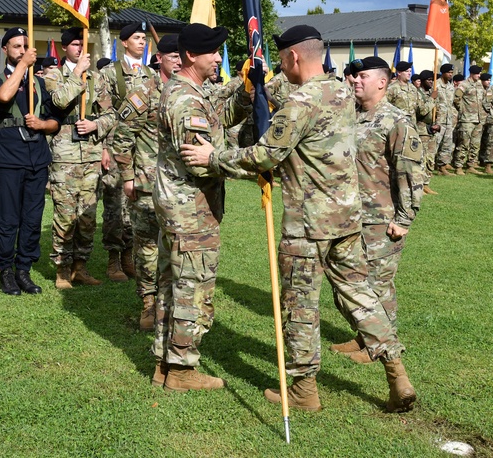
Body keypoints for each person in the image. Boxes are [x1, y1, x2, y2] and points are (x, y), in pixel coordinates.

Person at [182, 25, 416, 413]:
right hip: (347, 218)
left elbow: (265, 157)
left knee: (301, 308)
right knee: (361, 296)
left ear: (292, 58)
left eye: (281, 61)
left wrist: (213, 158)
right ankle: (397, 374)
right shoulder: (342, 91)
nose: (280, 68)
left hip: (308, 225)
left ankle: (304, 393)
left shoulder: (302, 102)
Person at [150, 23, 250, 392]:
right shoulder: (185, 99)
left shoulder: (193, 91)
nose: (217, 58)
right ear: (192, 55)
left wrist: (246, 90)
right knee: (192, 287)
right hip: (189, 208)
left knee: (171, 283)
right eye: (213, 52)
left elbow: (221, 117)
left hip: (183, 206)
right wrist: (254, 162)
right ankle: (181, 368)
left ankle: (164, 361)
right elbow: (199, 159)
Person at [327, 57, 421, 398]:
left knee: (377, 286)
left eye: (363, 77)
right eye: (355, 76)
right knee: (350, 288)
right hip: (348, 217)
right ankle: (364, 337)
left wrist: (404, 219)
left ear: (382, 82)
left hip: (381, 220)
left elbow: (410, 173)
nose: (355, 81)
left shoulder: (396, 120)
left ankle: (383, 347)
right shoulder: (350, 114)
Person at [111, 34, 181, 329]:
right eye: (173, 55)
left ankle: (175, 303)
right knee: (148, 248)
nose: (178, 60)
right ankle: (149, 304)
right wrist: (127, 177)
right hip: (147, 184)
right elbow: (122, 137)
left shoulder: (187, 92)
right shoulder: (144, 92)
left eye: (182, 55)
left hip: (180, 187)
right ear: (159, 58)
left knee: (177, 248)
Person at [0, 27, 60, 295]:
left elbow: (56, 121)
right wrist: (24, 66)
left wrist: (43, 124)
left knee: (32, 218)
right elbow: (3, 97)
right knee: (8, 219)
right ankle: (5, 269)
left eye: (25, 46)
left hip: (37, 159)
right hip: (8, 159)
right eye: (16, 46)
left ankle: (24, 269)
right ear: (5, 49)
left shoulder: (39, 83)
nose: (22, 51)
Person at [44, 27, 115, 289]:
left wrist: (97, 127)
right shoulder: (53, 75)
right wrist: (76, 73)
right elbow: (60, 101)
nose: (79, 49)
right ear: (65, 48)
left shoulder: (96, 78)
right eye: (74, 44)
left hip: (91, 155)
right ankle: (62, 269)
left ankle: (80, 267)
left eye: (82, 44)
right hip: (65, 156)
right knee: (64, 214)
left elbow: (111, 115)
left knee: (87, 216)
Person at [98, 22, 156, 280]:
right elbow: (104, 112)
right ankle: (113, 259)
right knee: (114, 204)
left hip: (141, 150)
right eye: (136, 37)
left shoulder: (150, 74)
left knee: (136, 202)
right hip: (115, 145)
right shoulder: (110, 73)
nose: (142, 42)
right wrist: (104, 147)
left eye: (144, 37)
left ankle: (128, 255)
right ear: (124, 42)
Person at [452, 65, 485, 175]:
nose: (479, 76)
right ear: (472, 74)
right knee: (463, 144)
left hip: (478, 119)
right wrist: (462, 110)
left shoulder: (480, 85)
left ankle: (471, 165)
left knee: (475, 144)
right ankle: (459, 166)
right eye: (477, 74)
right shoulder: (464, 85)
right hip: (467, 119)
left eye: (479, 74)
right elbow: (456, 98)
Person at [416, 70, 440, 194]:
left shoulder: (432, 93)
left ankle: (426, 183)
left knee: (430, 158)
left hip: (431, 130)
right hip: (421, 130)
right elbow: (422, 111)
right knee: (422, 158)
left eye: (432, 79)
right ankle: (419, 184)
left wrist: (438, 125)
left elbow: (437, 110)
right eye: (429, 80)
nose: (431, 82)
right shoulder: (417, 94)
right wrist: (431, 99)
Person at [434, 64, 457, 176]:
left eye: (452, 73)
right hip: (438, 119)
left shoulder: (450, 86)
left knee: (447, 145)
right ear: (443, 73)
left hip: (448, 119)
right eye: (448, 72)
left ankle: (442, 167)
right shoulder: (435, 84)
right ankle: (429, 167)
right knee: (435, 144)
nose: (450, 74)